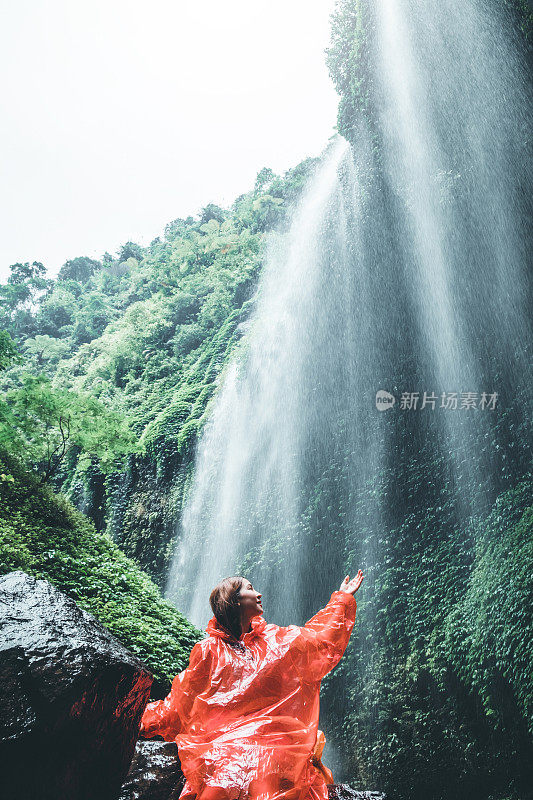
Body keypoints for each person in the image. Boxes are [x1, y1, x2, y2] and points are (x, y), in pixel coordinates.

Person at [140, 570, 364, 800]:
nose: (258, 594)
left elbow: (319, 641)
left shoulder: (276, 639)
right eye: (249, 588)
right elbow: (180, 701)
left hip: (276, 737)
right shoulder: (209, 650)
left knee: (258, 767)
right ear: (234, 600)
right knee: (228, 774)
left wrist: (341, 599)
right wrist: (135, 717)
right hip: (228, 741)